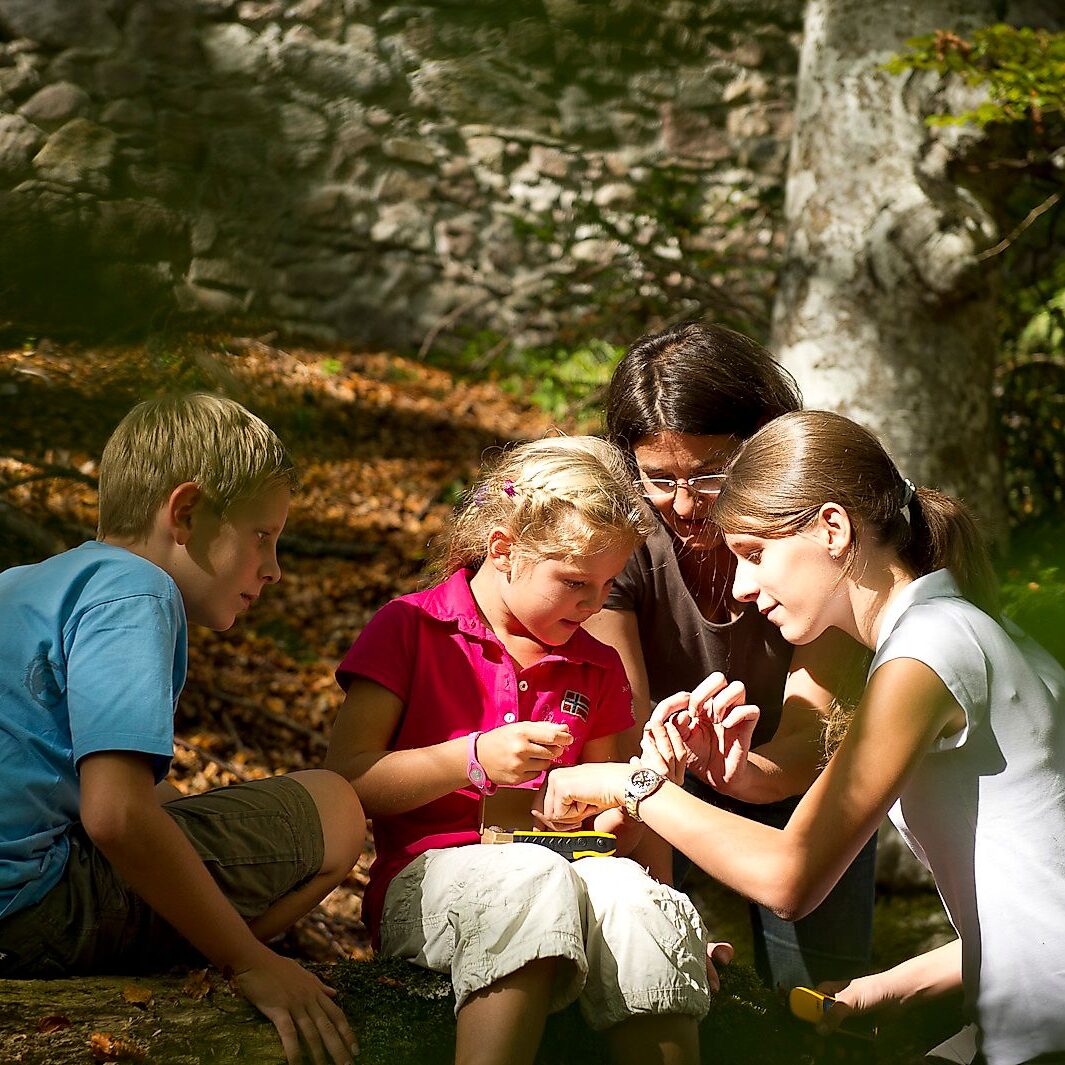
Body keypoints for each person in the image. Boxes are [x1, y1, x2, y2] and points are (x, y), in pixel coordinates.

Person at [542, 410, 1065, 1065]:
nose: (741, 585)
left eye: (754, 553)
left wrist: (627, 781)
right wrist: (885, 989)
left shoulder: (927, 650)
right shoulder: (961, 631)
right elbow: (1037, 903)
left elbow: (789, 877)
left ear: (832, 527)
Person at [0, 394, 365, 1065]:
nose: (274, 566)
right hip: (25, 912)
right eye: (262, 534)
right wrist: (248, 957)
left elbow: (99, 792)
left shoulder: (29, 583)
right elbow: (113, 813)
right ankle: (228, 960)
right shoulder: (136, 591)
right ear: (187, 512)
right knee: (336, 808)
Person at [325, 436, 714, 1065]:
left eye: (609, 583)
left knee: (634, 897)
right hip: (428, 882)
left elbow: (612, 840)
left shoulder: (595, 664)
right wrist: (469, 759)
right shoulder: (413, 630)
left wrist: (635, 792)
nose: (593, 603)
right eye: (575, 582)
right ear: (503, 550)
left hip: (568, 871)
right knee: (532, 878)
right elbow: (346, 782)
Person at [584, 320, 876, 988]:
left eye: (709, 475)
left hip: (792, 778)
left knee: (818, 1001)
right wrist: (665, 912)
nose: (684, 506)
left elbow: (809, 733)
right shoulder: (618, 536)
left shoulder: (814, 534)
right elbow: (622, 724)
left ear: (762, 443)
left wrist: (744, 773)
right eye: (659, 480)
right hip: (656, 780)